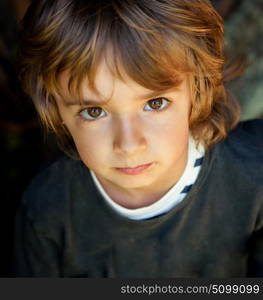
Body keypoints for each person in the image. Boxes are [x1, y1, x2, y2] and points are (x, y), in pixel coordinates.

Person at [14, 0, 263, 277]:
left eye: (155, 103)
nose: (129, 145)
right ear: (55, 109)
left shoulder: (254, 177)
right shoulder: (47, 210)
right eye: (94, 111)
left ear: (198, 88)